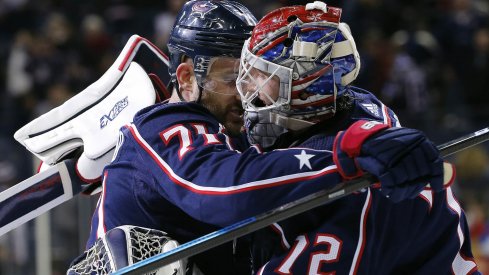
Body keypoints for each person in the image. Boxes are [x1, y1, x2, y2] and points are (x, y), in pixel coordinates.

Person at [71, 1, 471, 275]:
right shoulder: (164, 126)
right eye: (233, 78)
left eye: (256, 76)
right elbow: (225, 188)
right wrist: (348, 151)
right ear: (189, 77)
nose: (247, 93)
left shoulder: (247, 124)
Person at [233, 2, 479, 274]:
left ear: (305, 91)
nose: (248, 85)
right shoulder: (353, 103)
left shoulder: (350, 185)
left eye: (263, 74)